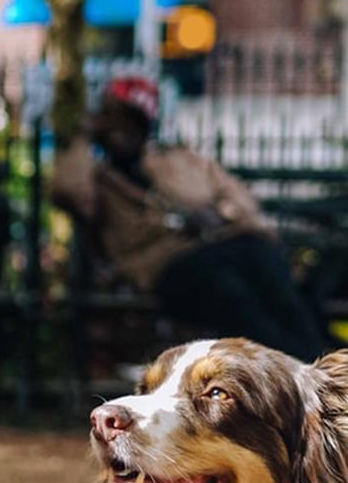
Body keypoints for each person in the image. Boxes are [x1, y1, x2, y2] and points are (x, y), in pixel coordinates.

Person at [52, 75, 325, 361]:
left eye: (130, 119)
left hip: (224, 242)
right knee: (230, 294)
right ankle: (298, 369)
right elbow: (67, 191)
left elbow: (237, 198)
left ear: (145, 124)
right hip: (165, 263)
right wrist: (82, 137)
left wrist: (221, 215)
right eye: (113, 117)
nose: (121, 128)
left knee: (272, 276)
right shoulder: (98, 178)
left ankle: (312, 371)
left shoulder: (178, 160)